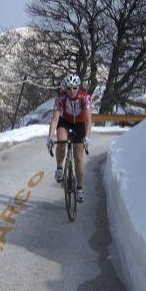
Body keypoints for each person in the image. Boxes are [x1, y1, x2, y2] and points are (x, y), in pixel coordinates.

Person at [47, 73, 92, 203]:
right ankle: (60, 168)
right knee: (61, 142)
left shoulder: (85, 97)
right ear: (65, 88)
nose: (71, 91)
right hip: (65, 122)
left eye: (74, 88)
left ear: (79, 87)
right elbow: (55, 119)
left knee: (78, 158)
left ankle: (79, 188)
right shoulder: (60, 98)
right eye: (68, 88)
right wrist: (50, 137)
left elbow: (89, 120)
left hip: (80, 124)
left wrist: (87, 137)